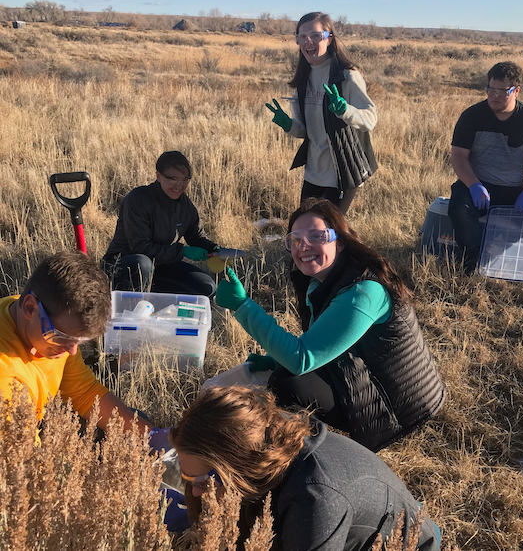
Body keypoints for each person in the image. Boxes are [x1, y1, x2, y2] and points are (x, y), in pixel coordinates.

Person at [215, 198, 445, 452]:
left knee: (288, 384)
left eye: (316, 236)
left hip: (401, 407)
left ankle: (307, 454)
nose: (304, 245)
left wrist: (243, 306)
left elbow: (302, 358)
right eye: (295, 239)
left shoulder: (363, 292)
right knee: (282, 374)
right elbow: (319, 341)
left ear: (342, 241)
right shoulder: (322, 281)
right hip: (364, 376)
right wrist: (275, 358)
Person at [170, 385, 441, 551]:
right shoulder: (261, 435)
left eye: (205, 479)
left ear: (243, 465)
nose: (194, 492)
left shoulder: (315, 499)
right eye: (188, 477)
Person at [0, 251, 154, 436]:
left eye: (79, 341)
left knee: (135, 422)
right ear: (30, 307)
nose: (71, 351)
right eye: (62, 337)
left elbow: (84, 393)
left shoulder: (34, 316)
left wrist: (151, 435)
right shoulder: (6, 378)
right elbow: (20, 456)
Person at [448, 61, 523, 274]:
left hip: (517, 187)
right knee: (458, 209)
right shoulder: (472, 115)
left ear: (516, 91)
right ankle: (473, 260)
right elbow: (459, 156)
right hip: (479, 185)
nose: (494, 96)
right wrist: (474, 185)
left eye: (502, 91)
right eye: (491, 89)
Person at [266, 12, 378, 214]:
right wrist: (289, 125)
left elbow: (370, 119)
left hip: (342, 170)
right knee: (306, 229)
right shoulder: (303, 80)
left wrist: (345, 111)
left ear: (329, 39)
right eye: (302, 36)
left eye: (316, 35)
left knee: (327, 233)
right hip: (313, 172)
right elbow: (303, 131)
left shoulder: (347, 76)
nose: (308, 41)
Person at [102, 151, 220, 296]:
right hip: (125, 266)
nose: (179, 185)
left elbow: (196, 237)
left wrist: (216, 250)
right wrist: (183, 251)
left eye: (185, 179)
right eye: (173, 179)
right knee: (142, 264)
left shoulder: (185, 205)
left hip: (160, 266)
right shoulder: (137, 200)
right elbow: (141, 248)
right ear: (158, 176)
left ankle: (164, 310)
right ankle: (133, 311)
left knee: (206, 286)